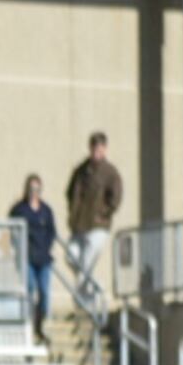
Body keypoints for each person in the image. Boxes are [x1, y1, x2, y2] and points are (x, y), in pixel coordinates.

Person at [64, 131, 123, 311]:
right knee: (71, 257)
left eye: (99, 147)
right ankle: (95, 287)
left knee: (86, 262)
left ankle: (82, 303)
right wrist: (73, 213)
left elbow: (116, 198)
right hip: (79, 225)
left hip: (98, 225)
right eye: (93, 147)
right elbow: (69, 192)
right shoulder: (81, 171)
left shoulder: (110, 172)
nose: (96, 151)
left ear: (104, 149)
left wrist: (103, 212)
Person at [8, 173, 59, 328]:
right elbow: (12, 228)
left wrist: (46, 246)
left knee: (43, 290)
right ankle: (29, 319)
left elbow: (52, 231)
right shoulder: (19, 209)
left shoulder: (46, 210)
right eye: (31, 188)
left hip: (43, 258)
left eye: (37, 189)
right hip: (27, 257)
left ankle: (41, 318)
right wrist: (19, 247)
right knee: (30, 288)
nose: (34, 192)